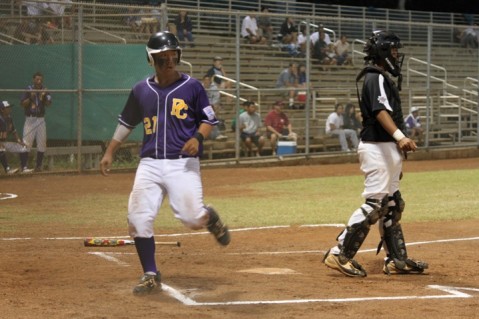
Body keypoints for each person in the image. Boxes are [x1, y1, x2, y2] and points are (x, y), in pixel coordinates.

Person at [99, 32, 231, 296]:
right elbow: (127, 122)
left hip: (182, 163)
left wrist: (197, 137)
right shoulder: (140, 90)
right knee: (137, 219)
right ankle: (150, 274)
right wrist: (110, 150)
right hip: (149, 163)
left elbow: (208, 119)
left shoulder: (192, 86)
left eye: (173, 56)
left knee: (192, 219)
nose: (169, 61)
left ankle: (209, 217)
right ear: (152, 60)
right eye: (163, 58)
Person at [322, 30, 428, 277]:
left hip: (386, 149)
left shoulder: (381, 77)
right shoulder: (374, 77)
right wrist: (401, 137)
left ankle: (397, 260)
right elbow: (380, 111)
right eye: (393, 50)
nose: (396, 55)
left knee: (392, 204)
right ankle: (339, 254)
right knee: (374, 205)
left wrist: (397, 155)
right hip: (376, 147)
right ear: (382, 51)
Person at [20, 71, 52, 172]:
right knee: (26, 142)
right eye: (37, 79)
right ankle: (24, 166)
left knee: (42, 142)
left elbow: (49, 104)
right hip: (30, 119)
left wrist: (43, 97)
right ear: (33, 80)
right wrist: (31, 97)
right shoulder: (28, 89)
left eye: (40, 80)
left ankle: (38, 166)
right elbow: (22, 104)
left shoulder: (45, 90)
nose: (39, 81)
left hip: (41, 119)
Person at [0, 101, 29, 175]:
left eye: (9, 107)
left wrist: (19, 141)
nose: (9, 109)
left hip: (4, 142)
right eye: (7, 108)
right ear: (2, 110)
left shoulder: (9, 118)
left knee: (23, 148)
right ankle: (8, 170)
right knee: (1, 148)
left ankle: (24, 168)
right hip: (0, 143)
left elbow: (14, 131)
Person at [201, 75, 227, 141]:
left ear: (210, 81)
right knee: (210, 117)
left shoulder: (214, 87)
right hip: (201, 107)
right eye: (205, 80)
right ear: (203, 81)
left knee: (211, 116)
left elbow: (216, 98)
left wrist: (214, 106)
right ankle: (216, 135)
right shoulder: (200, 87)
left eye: (208, 80)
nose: (207, 82)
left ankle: (213, 135)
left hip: (211, 106)